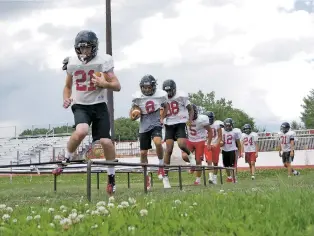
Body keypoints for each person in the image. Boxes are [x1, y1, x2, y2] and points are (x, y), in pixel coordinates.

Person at [57, 30, 121, 196]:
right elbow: (67, 86)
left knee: (107, 142)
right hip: (81, 105)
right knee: (81, 131)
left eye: (88, 48)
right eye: (82, 48)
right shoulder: (71, 63)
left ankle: (111, 177)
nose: (85, 51)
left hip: (99, 105)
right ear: (77, 48)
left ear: (94, 47)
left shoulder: (103, 61)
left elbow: (117, 85)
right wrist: (66, 98)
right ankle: (66, 157)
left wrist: (104, 83)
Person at [130, 74, 168, 190]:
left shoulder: (161, 95)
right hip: (144, 123)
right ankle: (146, 176)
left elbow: (165, 107)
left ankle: (161, 165)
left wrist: (162, 118)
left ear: (153, 87)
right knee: (143, 153)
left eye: (149, 87)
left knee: (157, 142)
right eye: (144, 87)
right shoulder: (137, 97)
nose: (146, 90)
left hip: (155, 121)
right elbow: (132, 115)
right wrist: (134, 114)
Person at [162, 79, 195, 189]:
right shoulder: (162, 97)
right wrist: (161, 119)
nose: (169, 93)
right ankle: (165, 177)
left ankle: (190, 155)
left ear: (175, 89)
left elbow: (190, 109)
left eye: (170, 91)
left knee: (181, 144)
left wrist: (190, 120)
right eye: (167, 91)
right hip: (169, 124)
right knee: (168, 149)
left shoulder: (182, 96)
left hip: (180, 122)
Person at [182, 104, 212, 185]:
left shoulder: (202, 119)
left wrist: (208, 143)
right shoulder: (185, 118)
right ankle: (193, 164)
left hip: (200, 140)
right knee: (184, 156)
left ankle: (197, 180)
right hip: (190, 140)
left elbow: (210, 131)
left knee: (198, 161)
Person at [203, 111, 223, 184]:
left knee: (215, 162)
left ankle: (215, 177)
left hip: (215, 144)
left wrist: (217, 144)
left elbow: (220, 136)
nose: (209, 119)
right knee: (209, 161)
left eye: (210, 118)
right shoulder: (203, 125)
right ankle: (210, 176)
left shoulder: (217, 124)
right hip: (206, 144)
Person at [220, 118, 241, 183]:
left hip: (232, 150)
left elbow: (238, 143)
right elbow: (221, 141)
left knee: (232, 165)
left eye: (229, 125)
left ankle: (234, 178)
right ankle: (229, 177)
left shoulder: (235, 132)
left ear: (232, 125)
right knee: (226, 165)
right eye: (227, 125)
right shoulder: (222, 131)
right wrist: (221, 143)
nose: (228, 127)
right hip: (224, 150)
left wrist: (240, 152)